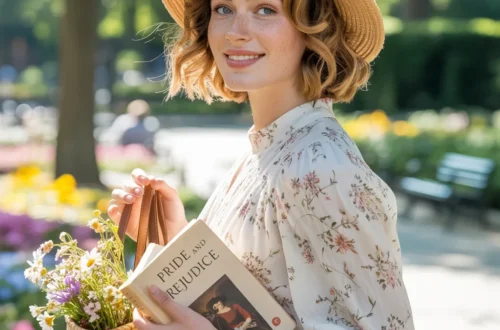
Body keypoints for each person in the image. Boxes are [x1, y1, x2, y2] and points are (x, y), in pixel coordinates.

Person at [108, 0, 415, 329]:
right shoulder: (267, 147)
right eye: (223, 9)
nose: (236, 33)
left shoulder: (321, 169)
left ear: (315, 28)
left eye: (265, 10)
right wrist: (177, 244)